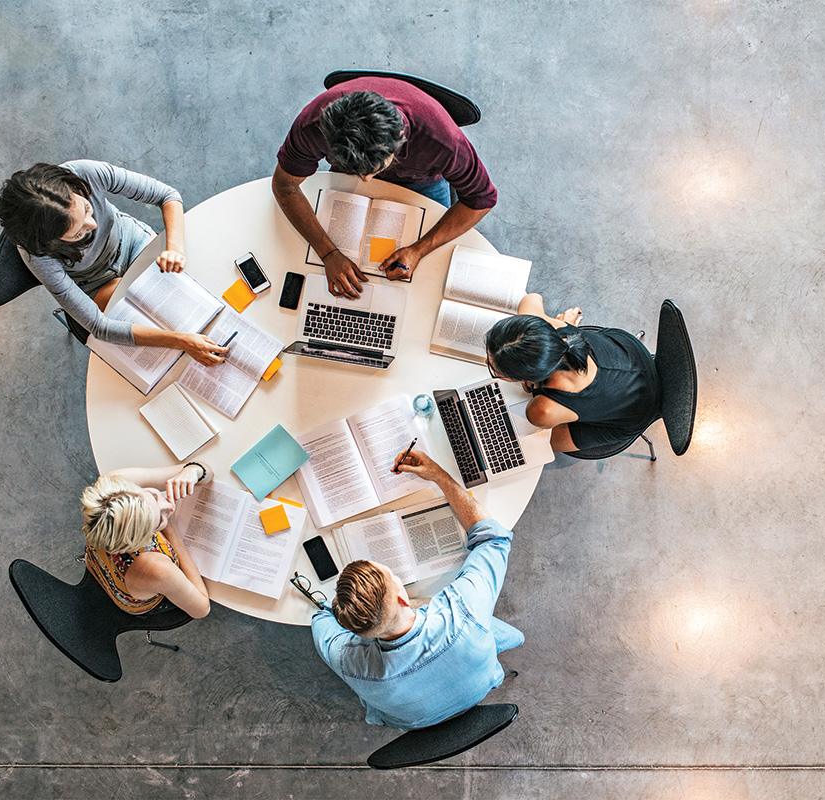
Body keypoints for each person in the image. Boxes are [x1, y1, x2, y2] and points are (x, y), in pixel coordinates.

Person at [311, 449, 523, 730]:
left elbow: (321, 620)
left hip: (413, 721)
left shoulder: (348, 661)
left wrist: (337, 608)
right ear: (402, 597)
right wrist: (439, 476)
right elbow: (494, 539)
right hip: (481, 682)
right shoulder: (463, 612)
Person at [272, 76, 498, 298]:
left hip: (422, 182)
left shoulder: (443, 141)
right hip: (346, 176)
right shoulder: (313, 123)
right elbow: (285, 186)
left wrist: (418, 250)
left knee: (426, 278)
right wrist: (328, 253)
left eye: (374, 169)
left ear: (400, 137)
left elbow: (481, 200)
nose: (366, 181)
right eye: (360, 171)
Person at [0, 160, 227, 366]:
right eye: (78, 233)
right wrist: (181, 342)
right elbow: (100, 326)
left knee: (196, 290)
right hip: (94, 283)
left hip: (133, 243)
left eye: (86, 208)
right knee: (159, 328)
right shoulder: (37, 255)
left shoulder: (84, 172)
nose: (92, 225)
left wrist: (174, 248)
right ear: (50, 243)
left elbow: (167, 195)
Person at [485, 293, 662, 454]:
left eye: (494, 370)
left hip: (635, 414)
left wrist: (535, 385)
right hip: (632, 355)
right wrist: (563, 326)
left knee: (532, 445)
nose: (486, 362)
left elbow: (540, 412)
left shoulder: (541, 410)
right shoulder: (551, 328)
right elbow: (531, 299)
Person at [81, 462, 213, 619]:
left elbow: (206, 471)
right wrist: (171, 531)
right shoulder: (156, 568)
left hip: (98, 560)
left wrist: (193, 471)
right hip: (137, 596)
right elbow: (202, 609)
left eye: (154, 496)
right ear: (142, 541)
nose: (169, 506)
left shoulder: (113, 486)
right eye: (159, 521)